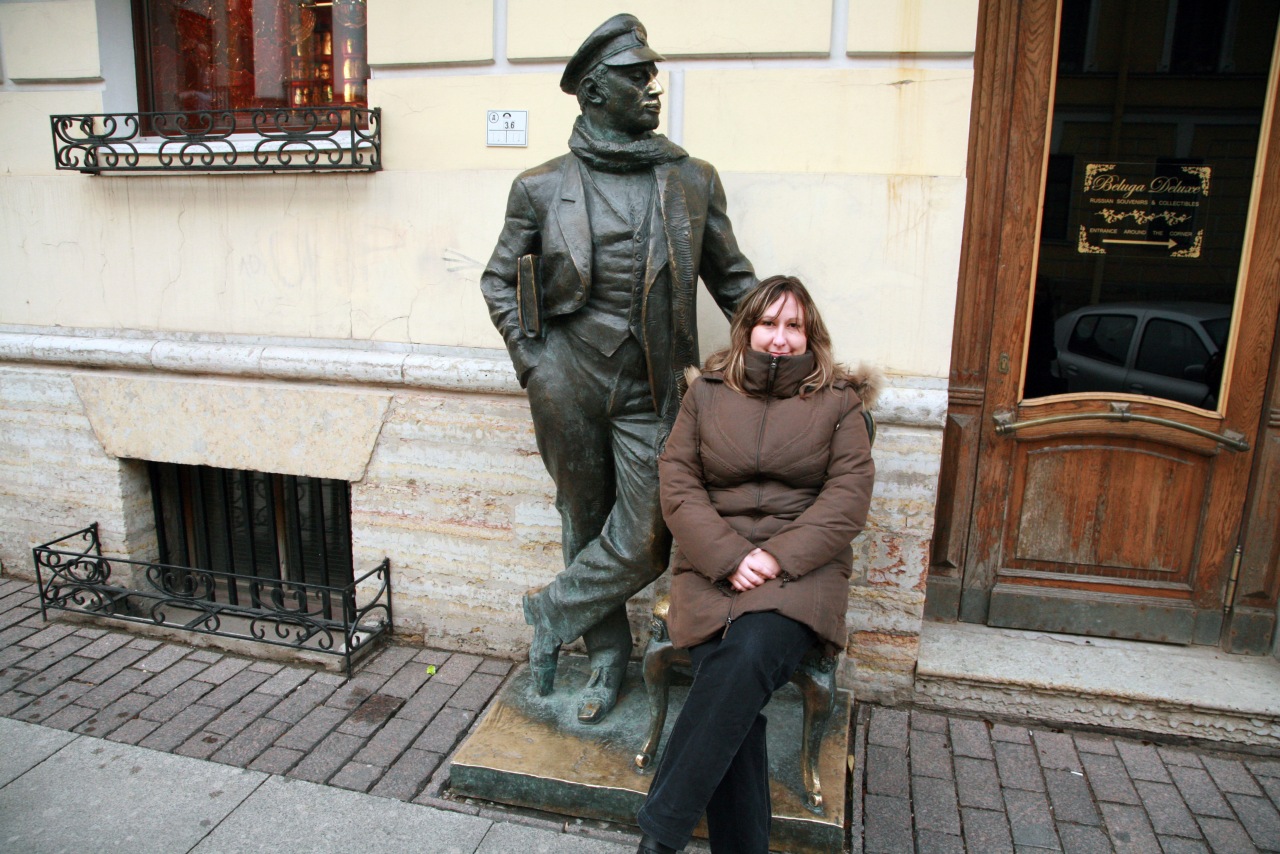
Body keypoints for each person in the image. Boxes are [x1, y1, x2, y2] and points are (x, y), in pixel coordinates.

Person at [480, 14, 757, 723]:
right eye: (637, 77)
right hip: (566, 381)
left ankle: (551, 611)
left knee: (648, 535)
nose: (652, 88)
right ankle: (606, 658)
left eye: (651, 76)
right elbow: (498, 280)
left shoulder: (691, 179)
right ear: (595, 92)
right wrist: (532, 363)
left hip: (652, 388)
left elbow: (734, 282)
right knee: (582, 518)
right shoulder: (541, 186)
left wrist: (798, 352)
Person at [635, 276, 876, 854]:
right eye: (768, 323)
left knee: (741, 660)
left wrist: (774, 557)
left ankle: (658, 838)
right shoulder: (706, 393)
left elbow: (847, 499)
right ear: (746, 329)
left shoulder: (840, 402)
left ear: (811, 336)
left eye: (794, 326)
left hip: (801, 574)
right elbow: (678, 483)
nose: (779, 337)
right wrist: (730, 556)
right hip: (712, 568)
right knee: (734, 701)